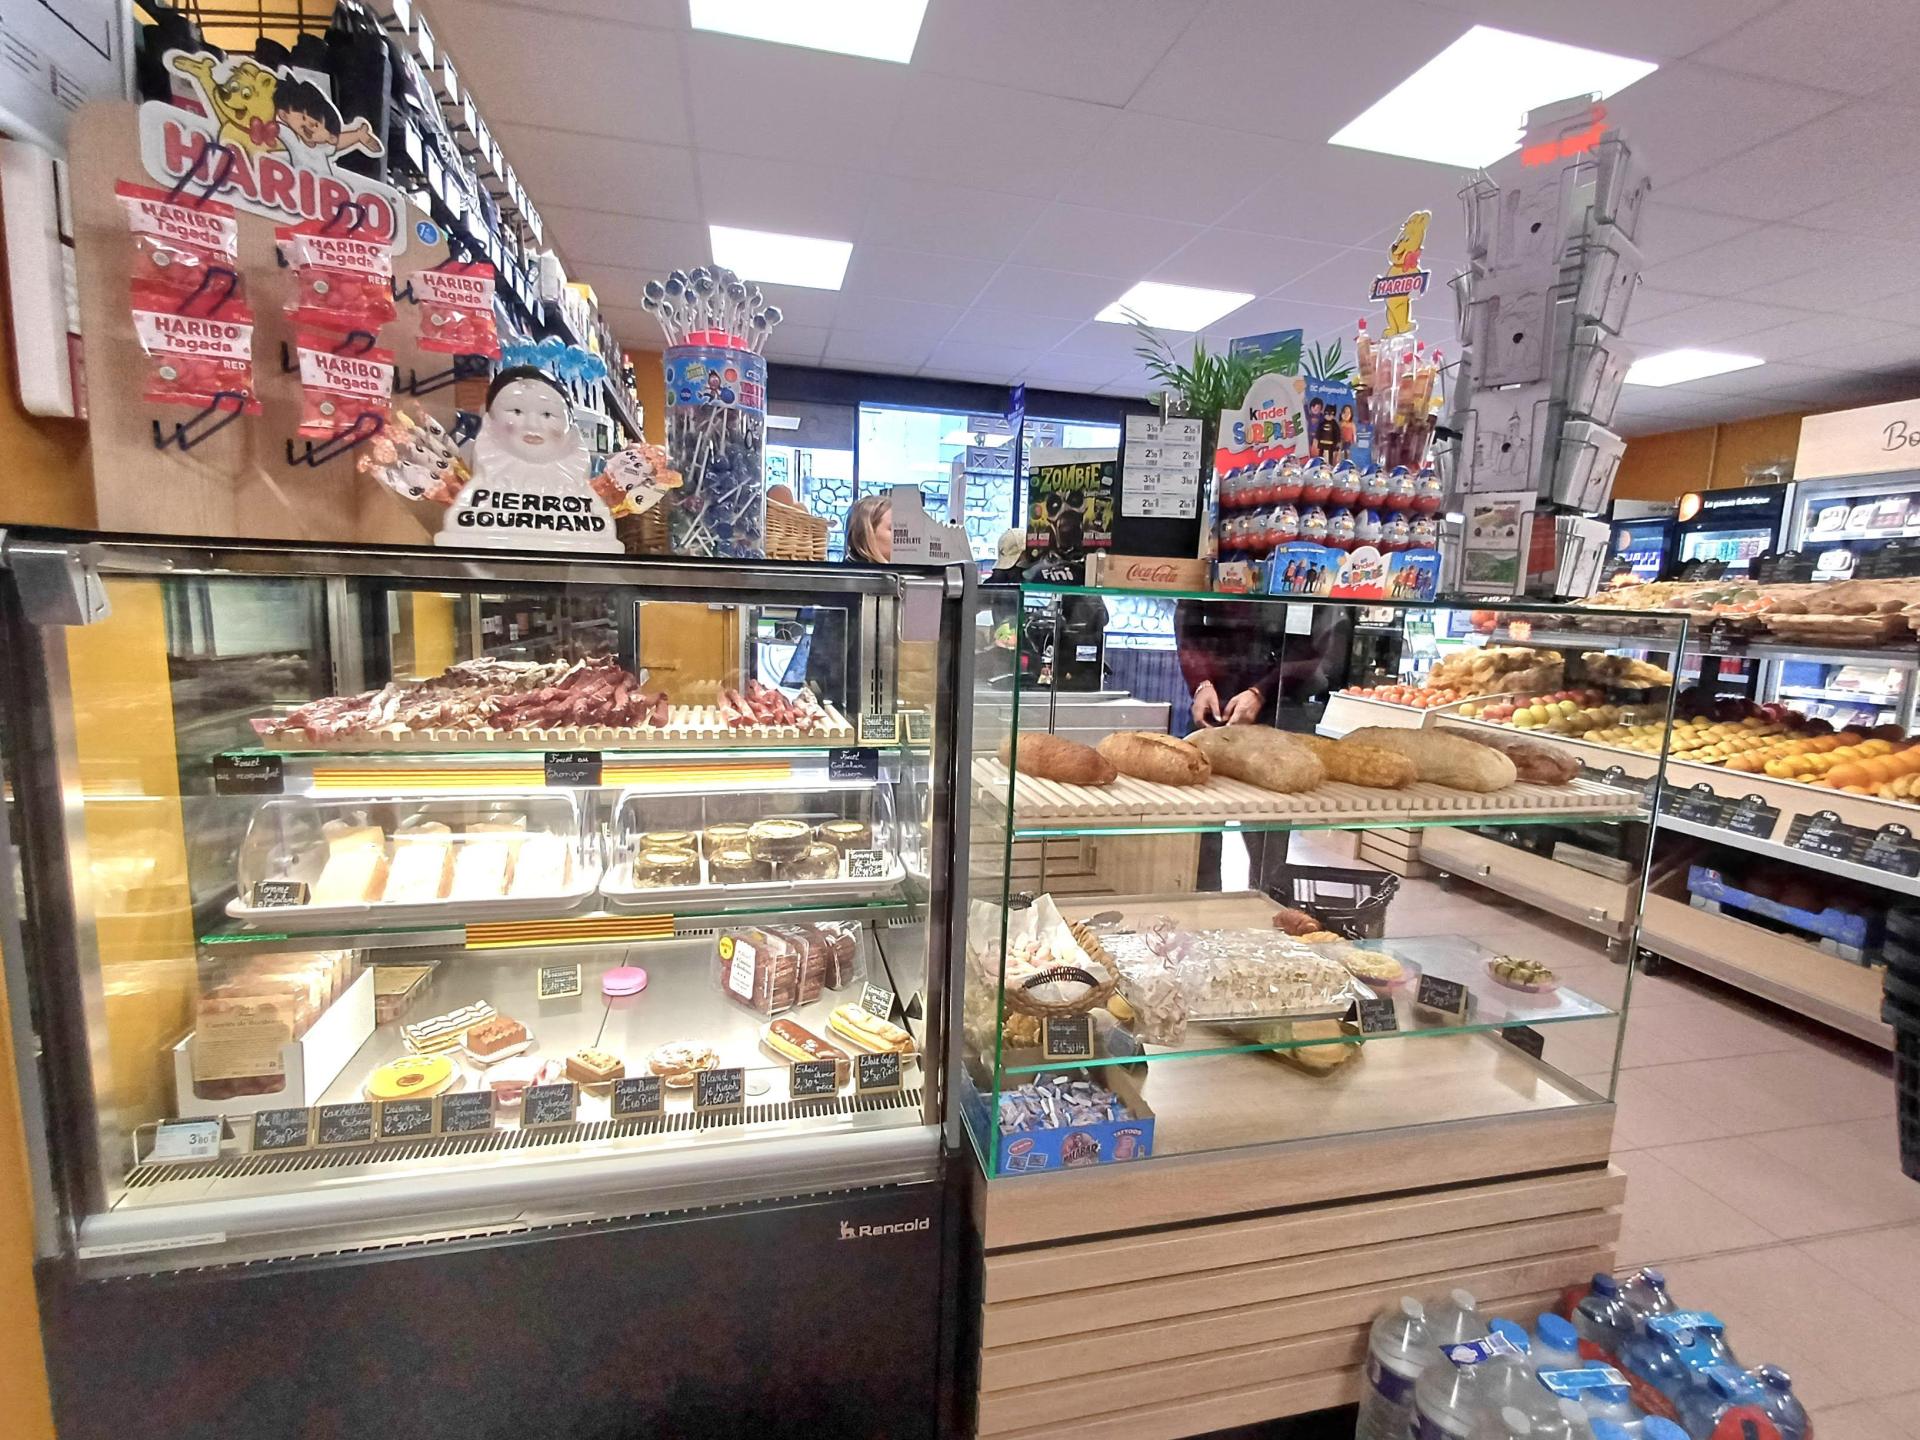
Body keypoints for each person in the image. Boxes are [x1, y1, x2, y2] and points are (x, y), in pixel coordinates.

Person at [804, 494, 891, 711]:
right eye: (894, 530)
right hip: (848, 701)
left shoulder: (893, 581)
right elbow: (831, 658)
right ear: (867, 534)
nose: (904, 539)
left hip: (875, 698)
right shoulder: (847, 583)